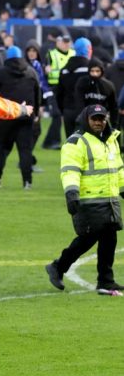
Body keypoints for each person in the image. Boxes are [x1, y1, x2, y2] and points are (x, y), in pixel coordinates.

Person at [46, 104, 124, 294]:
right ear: (86, 119)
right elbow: (70, 170)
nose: (98, 122)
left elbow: (118, 168)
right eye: (94, 118)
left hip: (110, 199)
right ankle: (58, 266)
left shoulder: (111, 140)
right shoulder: (76, 142)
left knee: (109, 239)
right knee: (88, 238)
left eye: (101, 118)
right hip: (88, 200)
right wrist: (71, 193)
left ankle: (105, 280)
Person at [0, 46, 41, 190]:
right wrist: (36, 113)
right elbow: (38, 94)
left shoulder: (1, 72)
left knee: (1, 150)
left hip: (5, 116)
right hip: (25, 116)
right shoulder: (31, 72)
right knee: (25, 151)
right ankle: (27, 182)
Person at [56, 38, 92, 141]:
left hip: (68, 110)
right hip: (87, 111)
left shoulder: (65, 69)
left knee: (72, 144)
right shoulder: (91, 69)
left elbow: (59, 93)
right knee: (88, 144)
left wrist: (63, 110)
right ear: (88, 49)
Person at [42, 35, 75, 149]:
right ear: (58, 42)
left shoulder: (73, 53)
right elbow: (45, 71)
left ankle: (49, 142)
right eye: (63, 42)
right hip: (54, 88)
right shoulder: (51, 54)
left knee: (64, 115)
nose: (66, 44)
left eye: (67, 42)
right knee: (57, 115)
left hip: (68, 88)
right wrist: (46, 71)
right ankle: (52, 142)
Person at [75, 58, 117, 127]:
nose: (95, 74)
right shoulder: (82, 83)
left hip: (102, 118)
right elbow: (79, 102)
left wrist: (114, 124)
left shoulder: (108, 85)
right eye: (92, 71)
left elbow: (113, 106)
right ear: (89, 71)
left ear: (102, 71)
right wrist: (83, 119)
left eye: (97, 71)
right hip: (86, 118)